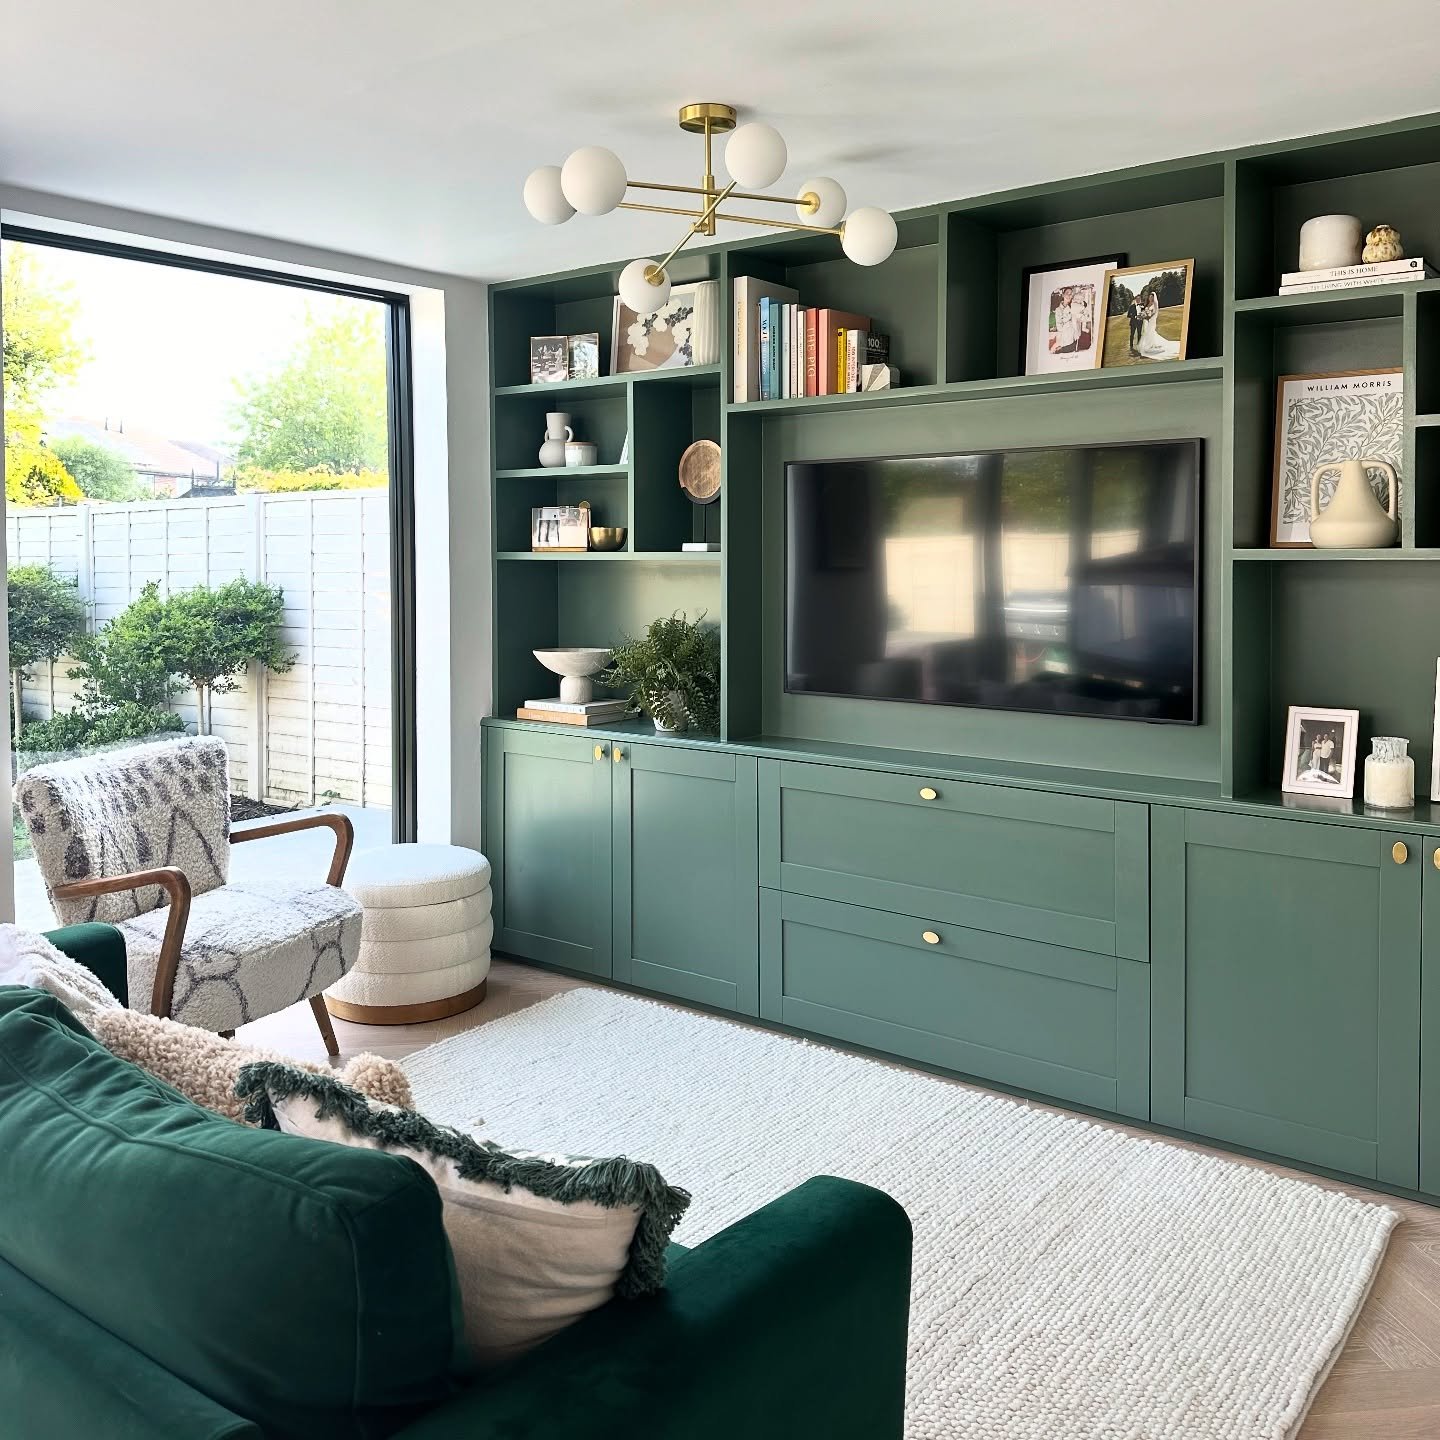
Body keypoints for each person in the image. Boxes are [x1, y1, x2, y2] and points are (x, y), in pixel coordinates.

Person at [1137, 289, 1181, 360]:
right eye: (1149, 297)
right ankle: (1150, 344)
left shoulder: (1155, 304)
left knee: (1150, 332)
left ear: (1154, 298)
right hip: (1146, 321)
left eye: (1152, 297)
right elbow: (1145, 311)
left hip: (1151, 320)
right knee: (1146, 332)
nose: (1150, 298)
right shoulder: (1147, 304)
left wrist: (1149, 317)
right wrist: (1143, 315)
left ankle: (1150, 345)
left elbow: (1155, 312)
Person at [1053, 287, 1078, 353]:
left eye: (1071, 294)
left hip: (1074, 337)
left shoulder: (1074, 306)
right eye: (1067, 293)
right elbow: (1059, 327)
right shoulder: (1058, 310)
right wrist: (1068, 322)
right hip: (1064, 339)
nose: (1069, 296)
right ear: (1063, 295)